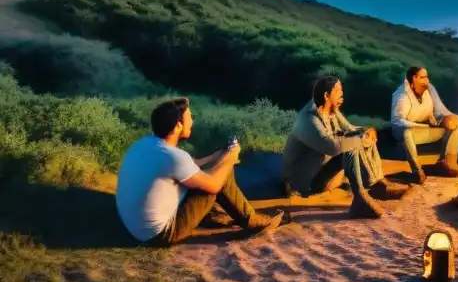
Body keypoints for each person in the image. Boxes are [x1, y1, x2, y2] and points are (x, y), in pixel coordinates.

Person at [115, 97, 283, 246]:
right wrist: (230, 159)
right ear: (178, 125)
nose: (192, 122)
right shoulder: (174, 157)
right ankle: (254, 222)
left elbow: (191, 165)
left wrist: (220, 155)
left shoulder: (146, 144)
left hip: (136, 226)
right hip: (161, 234)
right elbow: (215, 185)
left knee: (216, 170)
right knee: (222, 176)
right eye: (189, 117)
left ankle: (213, 215)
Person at [282, 76, 408, 218]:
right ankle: (360, 199)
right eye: (338, 90)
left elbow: (350, 129)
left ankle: (378, 185)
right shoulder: (309, 118)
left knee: (364, 136)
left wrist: (365, 131)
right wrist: (360, 137)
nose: (342, 93)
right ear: (326, 95)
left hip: (322, 171)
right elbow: (331, 147)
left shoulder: (331, 111)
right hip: (305, 182)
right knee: (351, 145)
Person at [390, 66, 458, 184]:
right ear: (414, 78)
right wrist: (421, 126)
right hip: (409, 133)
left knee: (456, 121)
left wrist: (446, 118)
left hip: (428, 128)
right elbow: (397, 121)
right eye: (423, 77)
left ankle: (447, 163)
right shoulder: (401, 96)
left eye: (427, 77)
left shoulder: (429, 89)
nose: (427, 81)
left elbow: (440, 110)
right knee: (407, 133)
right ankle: (417, 172)